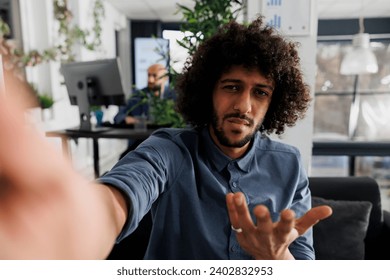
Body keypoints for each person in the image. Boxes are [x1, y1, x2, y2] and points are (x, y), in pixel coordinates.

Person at [0, 16, 332, 260]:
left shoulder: (288, 164)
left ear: (274, 103)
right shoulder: (170, 150)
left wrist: (275, 257)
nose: (244, 105)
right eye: (232, 87)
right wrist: (72, 226)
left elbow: (303, 264)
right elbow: (122, 194)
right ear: (208, 91)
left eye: (260, 93)